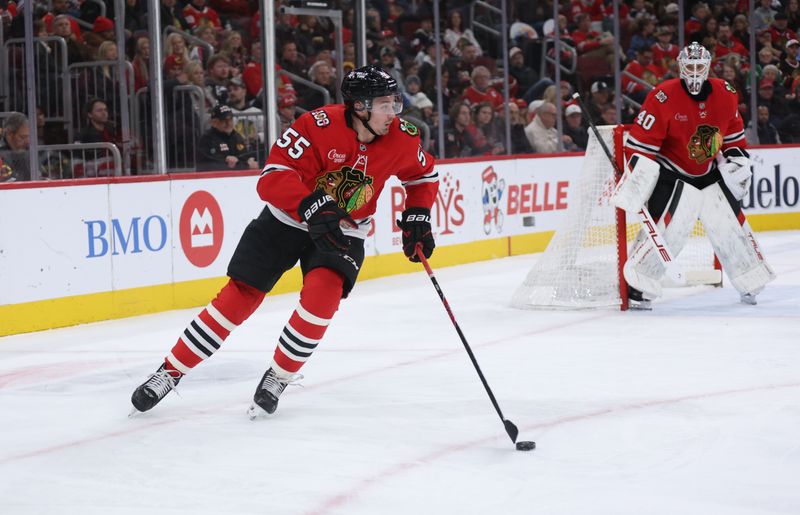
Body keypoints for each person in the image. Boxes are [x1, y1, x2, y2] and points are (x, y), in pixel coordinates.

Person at [131, 65, 438, 417]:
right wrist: (310, 203)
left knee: (322, 299)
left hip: (344, 228)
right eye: (385, 105)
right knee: (239, 297)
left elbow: (424, 176)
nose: (393, 113)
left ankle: (279, 375)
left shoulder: (403, 136)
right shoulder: (315, 125)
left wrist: (418, 214)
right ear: (359, 107)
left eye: (395, 103)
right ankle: (169, 373)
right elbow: (272, 176)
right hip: (285, 219)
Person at [614, 42, 775, 309]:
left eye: (700, 66)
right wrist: (638, 176)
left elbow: (733, 137)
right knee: (669, 231)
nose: (695, 72)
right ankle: (639, 286)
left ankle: (751, 279)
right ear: (680, 67)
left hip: (708, 173)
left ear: (709, 67)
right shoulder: (663, 96)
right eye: (690, 66)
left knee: (731, 227)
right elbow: (641, 145)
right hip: (672, 173)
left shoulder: (725, 92)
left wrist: (737, 160)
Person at [196, 103, 259, 171]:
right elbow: (213, 164)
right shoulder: (207, 139)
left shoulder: (236, 136)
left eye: (230, 119)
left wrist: (248, 161)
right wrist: (245, 165)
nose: (229, 123)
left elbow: (244, 156)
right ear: (214, 122)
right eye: (224, 120)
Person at [0, 112, 31, 182]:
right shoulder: (1, 155)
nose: (28, 142)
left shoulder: (29, 152)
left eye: (28, 137)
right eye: (22, 137)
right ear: (9, 134)